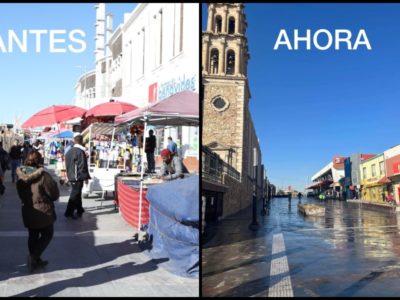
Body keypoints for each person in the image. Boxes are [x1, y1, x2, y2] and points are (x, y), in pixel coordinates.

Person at [16, 151, 59, 272]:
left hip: (28, 210)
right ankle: (34, 257)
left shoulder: (21, 176)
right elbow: (54, 194)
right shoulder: (43, 176)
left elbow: (20, 194)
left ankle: (35, 260)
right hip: (43, 210)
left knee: (33, 234)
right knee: (47, 234)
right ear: (39, 161)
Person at [64, 135, 90, 219]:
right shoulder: (79, 152)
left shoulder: (69, 151)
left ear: (74, 141)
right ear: (81, 141)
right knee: (75, 194)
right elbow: (83, 166)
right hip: (77, 176)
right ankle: (69, 212)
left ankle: (79, 210)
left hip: (72, 175)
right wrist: (85, 177)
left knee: (77, 193)